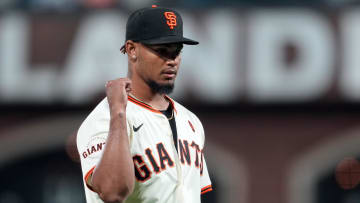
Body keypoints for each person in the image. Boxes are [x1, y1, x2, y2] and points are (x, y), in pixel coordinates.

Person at [77, 5, 212, 203]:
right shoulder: (105, 118)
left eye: (177, 51)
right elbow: (112, 192)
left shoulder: (190, 121)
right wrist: (118, 115)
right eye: (161, 51)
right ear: (132, 50)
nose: (172, 60)